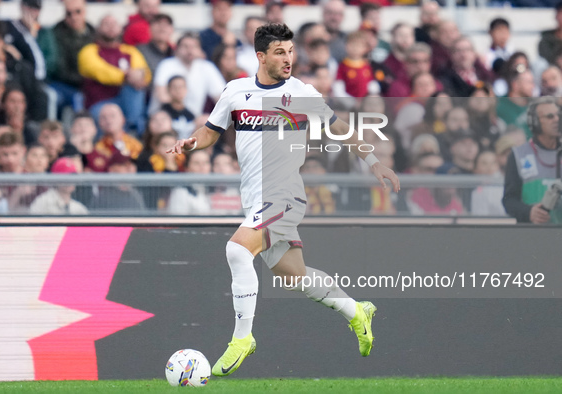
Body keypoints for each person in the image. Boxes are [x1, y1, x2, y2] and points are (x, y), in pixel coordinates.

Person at [168, 23, 399, 377]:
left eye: (291, 51)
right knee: (295, 276)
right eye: (279, 52)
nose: (288, 58)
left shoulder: (303, 93)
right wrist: (191, 143)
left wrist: (374, 161)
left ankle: (242, 339)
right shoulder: (235, 91)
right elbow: (210, 132)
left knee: (236, 250)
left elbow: (339, 128)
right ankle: (356, 312)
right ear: (260, 56)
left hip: (284, 193)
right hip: (255, 198)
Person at [78, 15, 151, 135]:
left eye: (114, 24)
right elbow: (100, 71)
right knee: (111, 113)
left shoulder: (130, 51)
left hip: (126, 102)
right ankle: (131, 130)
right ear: (98, 29)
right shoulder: (89, 50)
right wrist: (127, 76)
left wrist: (138, 77)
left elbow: (145, 73)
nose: (111, 27)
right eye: (106, 24)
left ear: (121, 29)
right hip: (100, 103)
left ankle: (132, 128)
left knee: (135, 88)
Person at [502, 97, 562, 224]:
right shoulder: (518, 155)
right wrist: (528, 212)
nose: (557, 120)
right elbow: (509, 201)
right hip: (532, 234)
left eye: (558, 115)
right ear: (534, 122)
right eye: (550, 116)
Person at [151, 33, 226, 117]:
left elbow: (221, 98)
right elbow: (162, 96)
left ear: (200, 50)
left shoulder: (207, 67)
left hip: (193, 121)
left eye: (194, 47)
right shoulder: (167, 64)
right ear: (177, 49)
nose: (190, 50)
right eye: (185, 46)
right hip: (166, 118)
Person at [48, 0, 95, 116]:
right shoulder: (56, 33)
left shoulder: (93, 33)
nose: (73, 17)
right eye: (69, 13)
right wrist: (84, 80)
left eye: (77, 11)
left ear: (85, 11)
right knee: (78, 98)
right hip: (64, 83)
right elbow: (60, 68)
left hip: (88, 83)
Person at [136, 14, 174, 79]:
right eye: (158, 23)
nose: (162, 27)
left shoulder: (176, 54)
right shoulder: (139, 51)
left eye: (166, 24)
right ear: (149, 28)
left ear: (172, 30)